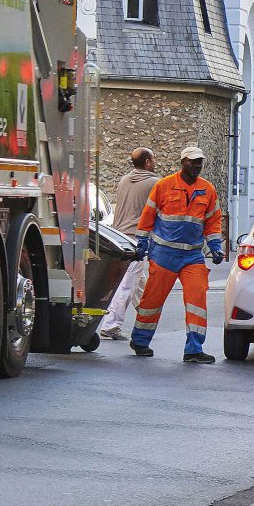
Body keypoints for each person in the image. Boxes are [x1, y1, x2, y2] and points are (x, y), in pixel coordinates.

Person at [131, 144, 225, 363]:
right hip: (164, 253)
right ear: (183, 162)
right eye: (193, 162)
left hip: (192, 255)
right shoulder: (164, 186)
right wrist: (141, 243)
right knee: (152, 300)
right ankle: (140, 341)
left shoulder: (208, 189)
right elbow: (148, 216)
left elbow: (213, 222)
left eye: (200, 162)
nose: (197, 166)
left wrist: (216, 248)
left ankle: (193, 349)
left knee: (197, 298)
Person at [97, 148, 159, 340]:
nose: (155, 162)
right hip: (137, 239)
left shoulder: (124, 180)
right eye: (153, 159)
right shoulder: (154, 183)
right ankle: (111, 325)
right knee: (127, 284)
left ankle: (146, 317)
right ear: (148, 162)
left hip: (120, 236)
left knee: (140, 282)